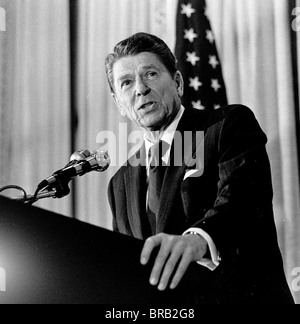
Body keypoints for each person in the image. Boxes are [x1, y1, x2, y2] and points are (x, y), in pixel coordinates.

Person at [105, 32, 294, 304]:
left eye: (150, 74)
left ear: (178, 82)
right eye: (126, 83)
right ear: (118, 103)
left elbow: (242, 200)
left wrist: (198, 239)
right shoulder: (120, 181)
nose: (140, 89)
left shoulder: (226, 127)